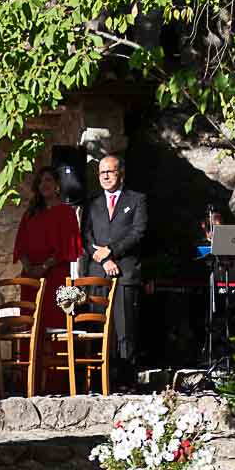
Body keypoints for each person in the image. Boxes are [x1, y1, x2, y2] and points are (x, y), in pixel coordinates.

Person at [82, 155, 148, 391]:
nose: (106, 176)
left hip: (124, 273)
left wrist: (111, 253)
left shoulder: (137, 200)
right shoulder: (92, 204)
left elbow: (138, 233)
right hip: (98, 273)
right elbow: (85, 236)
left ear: (121, 174)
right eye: (102, 173)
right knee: (99, 328)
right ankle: (100, 381)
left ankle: (125, 381)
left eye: (110, 172)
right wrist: (99, 255)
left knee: (124, 327)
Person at [13, 166, 83, 334]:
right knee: (32, 324)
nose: (44, 185)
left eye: (48, 180)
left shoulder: (67, 213)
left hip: (55, 277)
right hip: (31, 278)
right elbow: (20, 245)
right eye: (41, 181)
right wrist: (30, 268)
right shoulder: (31, 213)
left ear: (57, 184)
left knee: (54, 324)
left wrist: (44, 267)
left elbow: (67, 248)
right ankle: (31, 360)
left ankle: (54, 361)